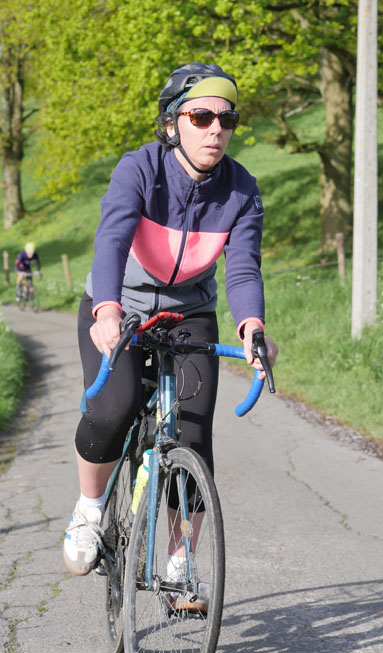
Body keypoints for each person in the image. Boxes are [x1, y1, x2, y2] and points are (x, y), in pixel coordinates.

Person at [63, 62, 278, 580]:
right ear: (172, 123)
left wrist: (253, 327)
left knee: (194, 436)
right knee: (114, 408)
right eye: (201, 117)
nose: (216, 130)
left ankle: (182, 563)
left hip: (189, 312)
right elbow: (112, 240)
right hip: (121, 307)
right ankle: (89, 511)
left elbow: (243, 267)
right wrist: (108, 309)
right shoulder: (139, 169)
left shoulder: (241, 190)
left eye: (227, 119)